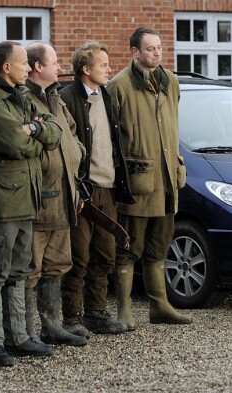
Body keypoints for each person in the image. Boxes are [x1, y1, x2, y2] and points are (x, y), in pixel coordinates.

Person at [0, 41, 62, 367]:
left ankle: (19, 337)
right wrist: (33, 139)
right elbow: (14, 143)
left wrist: (34, 127)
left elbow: (54, 132)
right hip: (1, 201)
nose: (29, 68)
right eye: (23, 63)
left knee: (20, 272)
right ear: (6, 68)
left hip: (25, 198)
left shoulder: (21, 96)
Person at [107, 27, 191, 330]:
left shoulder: (171, 81)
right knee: (129, 247)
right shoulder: (118, 86)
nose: (157, 53)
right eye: (150, 48)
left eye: (159, 47)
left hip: (168, 179)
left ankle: (160, 306)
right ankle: (125, 308)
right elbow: (110, 137)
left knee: (160, 245)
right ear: (135, 52)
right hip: (138, 183)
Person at [59, 41, 135, 336]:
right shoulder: (67, 98)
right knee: (79, 256)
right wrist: (77, 188)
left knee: (105, 254)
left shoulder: (107, 95)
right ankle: (71, 317)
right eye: (103, 65)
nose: (109, 69)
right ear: (85, 69)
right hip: (83, 192)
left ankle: (97, 313)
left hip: (109, 188)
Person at [22, 42, 87, 346]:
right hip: (39, 195)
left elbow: (70, 132)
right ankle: (26, 332)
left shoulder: (56, 99)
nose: (60, 67)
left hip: (64, 193)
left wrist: (77, 153)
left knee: (58, 263)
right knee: (30, 268)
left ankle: (52, 325)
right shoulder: (23, 100)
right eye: (55, 62)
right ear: (37, 67)